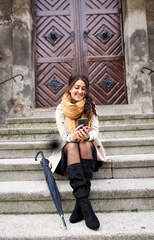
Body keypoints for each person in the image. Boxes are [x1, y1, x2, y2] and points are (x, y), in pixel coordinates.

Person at [49, 73, 108, 230]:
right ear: (70, 88)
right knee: (74, 144)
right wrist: (73, 136)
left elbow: (95, 131)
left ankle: (80, 206)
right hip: (68, 151)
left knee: (85, 144)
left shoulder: (91, 105)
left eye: (83, 88)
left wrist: (88, 135)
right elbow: (62, 137)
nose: (80, 91)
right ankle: (86, 206)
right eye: (77, 87)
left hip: (87, 148)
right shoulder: (61, 108)